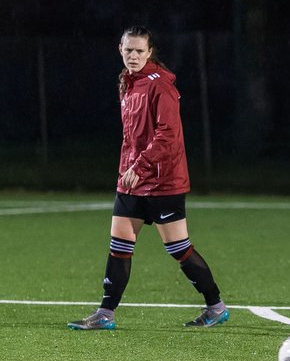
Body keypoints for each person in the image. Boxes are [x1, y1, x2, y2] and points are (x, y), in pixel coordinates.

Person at [68, 26, 229, 331]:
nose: (133, 56)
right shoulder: (127, 83)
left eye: (139, 51)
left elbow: (167, 136)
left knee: (179, 249)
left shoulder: (160, 86)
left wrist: (139, 168)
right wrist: (128, 171)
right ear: (120, 49)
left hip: (163, 181)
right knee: (119, 245)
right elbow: (133, 137)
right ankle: (105, 313)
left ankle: (215, 305)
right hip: (131, 181)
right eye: (128, 50)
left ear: (150, 52)